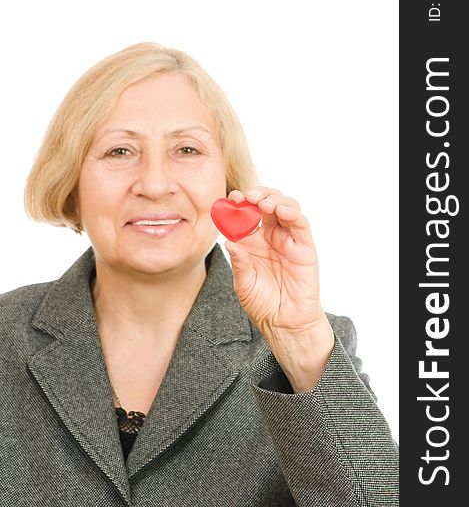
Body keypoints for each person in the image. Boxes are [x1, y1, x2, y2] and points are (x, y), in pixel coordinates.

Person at [0, 42, 398, 506]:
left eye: (186, 149)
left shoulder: (308, 348)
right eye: (119, 151)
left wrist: (297, 340)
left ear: (227, 184)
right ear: (71, 183)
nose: (153, 184)